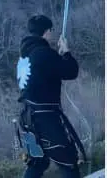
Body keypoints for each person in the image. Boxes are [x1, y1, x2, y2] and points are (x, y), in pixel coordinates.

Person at [16, 14, 86, 177]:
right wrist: (66, 52)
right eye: (51, 30)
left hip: (26, 118)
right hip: (45, 119)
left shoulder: (23, 57)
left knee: (37, 163)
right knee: (68, 161)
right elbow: (71, 71)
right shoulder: (43, 53)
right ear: (46, 31)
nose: (53, 33)